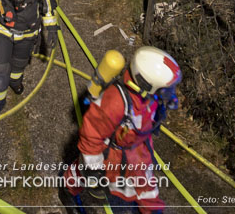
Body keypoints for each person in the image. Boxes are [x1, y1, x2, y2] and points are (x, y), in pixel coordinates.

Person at [64, 46, 182, 213]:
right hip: (110, 152)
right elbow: (92, 133)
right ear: (146, 83)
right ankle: (69, 189)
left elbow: (143, 121)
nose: (170, 94)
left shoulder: (149, 98)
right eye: (165, 89)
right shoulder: (115, 102)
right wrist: (93, 166)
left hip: (137, 150)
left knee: (146, 186)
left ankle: (152, 209)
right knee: (82, 173)